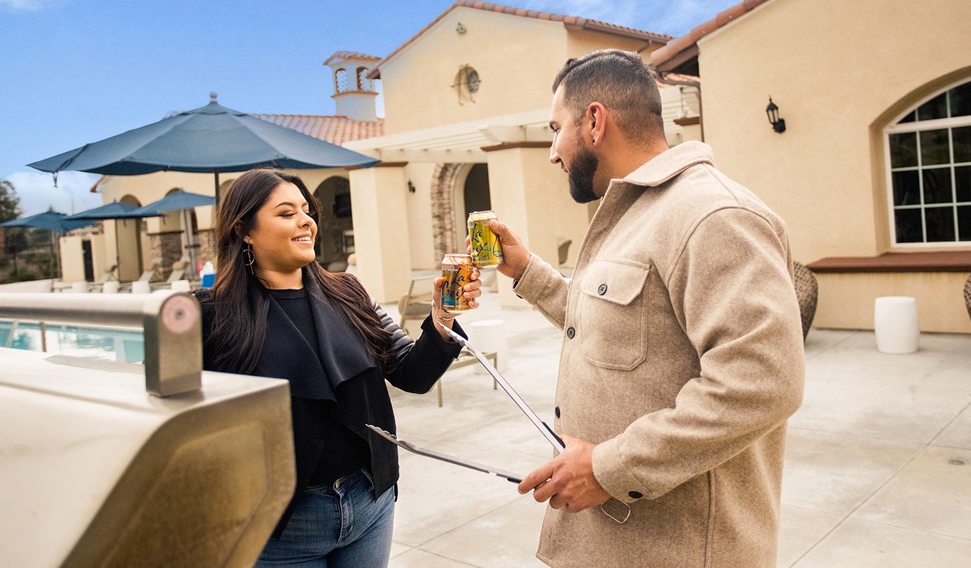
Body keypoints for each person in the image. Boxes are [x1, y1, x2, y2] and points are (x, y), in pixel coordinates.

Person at [488, 49, 805, 567]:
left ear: (594, 121)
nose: (552, 151)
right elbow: (619, 328)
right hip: (617, 545)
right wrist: (526, 272)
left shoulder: (713, 215)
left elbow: (763, 382)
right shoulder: (635, 212)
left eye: (555, 128)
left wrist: (608, 468)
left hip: (678, 551)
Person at [195, 168, 478, 567]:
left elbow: (412, 374)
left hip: (371, 504)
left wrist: (442, 316)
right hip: (281, 526)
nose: (305, 220)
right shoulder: (211, 315)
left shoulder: (350, 293)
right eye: (286, 212)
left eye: (306, 210)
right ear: (244, 229)